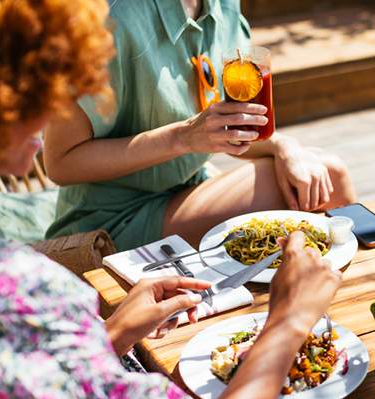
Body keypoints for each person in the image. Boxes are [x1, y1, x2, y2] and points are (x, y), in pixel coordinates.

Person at [0, 1, 341, 399]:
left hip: (177, 201)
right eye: (46, 91)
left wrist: (111, 337)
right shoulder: (18, 294)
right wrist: (288, 323)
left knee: (323, 182)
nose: (56, 108)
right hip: (115, 219)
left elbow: (14, 392)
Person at [43, 0, 357, 251]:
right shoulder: (110, 20)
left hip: (189, 190)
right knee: (328, 177)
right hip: (112, 223)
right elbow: (60, 163)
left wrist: (283, 146)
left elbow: (225, 126)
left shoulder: (222, 5)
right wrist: (183, 137)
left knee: (318, 174)